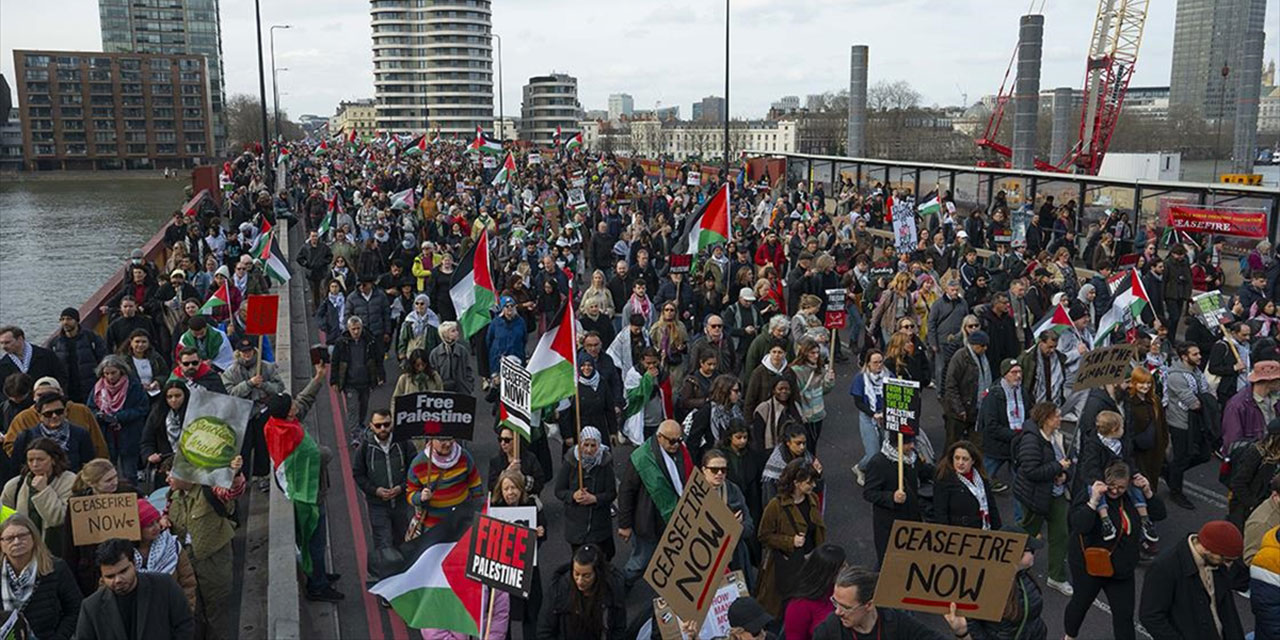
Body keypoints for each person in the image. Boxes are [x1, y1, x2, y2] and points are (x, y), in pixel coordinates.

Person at [1063, 461, 1166, 640]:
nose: (1115, 491)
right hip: (1090, 567)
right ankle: (1069, 636)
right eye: (1112, 486)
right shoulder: (1090, 495)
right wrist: (1093, 502)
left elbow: (1159, 514)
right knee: (1080, 605)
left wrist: (1148, 492)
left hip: (1121, 569)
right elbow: (1079, 525)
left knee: (1124, 616)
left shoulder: (1133, 498)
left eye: (1121, 487)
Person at [617, 419, 692, 590]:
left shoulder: (681, 452)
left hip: (674, 520)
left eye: (679, 440)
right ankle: (621, 587)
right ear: (659, 437)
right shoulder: (641, 458)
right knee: (641, 561)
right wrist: (625, 524)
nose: (676, 445)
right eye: (672, 441)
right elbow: (626, 491)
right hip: (648, 521)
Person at [1140, 520, 1246, 640]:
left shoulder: (1217, 562)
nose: (1229, 565)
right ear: (1207, 549)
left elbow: (1228, 611)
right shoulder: (1165, 567)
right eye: (1226, 560)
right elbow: (1151, 617)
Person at [73, 537, 195, 640]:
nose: (118, 580)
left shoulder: (164, 586)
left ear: (134, 564)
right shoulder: (91, 607)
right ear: (102, 577)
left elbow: (184, 625)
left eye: (123, 571)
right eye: (110, 576)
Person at [942, 530, 1048, 640]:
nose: (1034, 554)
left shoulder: (1022, 575)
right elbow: (975, 627)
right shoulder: (987, 587)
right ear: (1015, 554)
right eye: (1030, 550)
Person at [756, 458, 825, 617]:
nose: (813, 485)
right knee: (786, 608)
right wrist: (789, 541)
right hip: (787, 566)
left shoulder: (812, 499)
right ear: (796, 483)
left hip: (811, 562)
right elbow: (763, 535)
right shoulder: (776, 506)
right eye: (809, 482)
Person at [351, 409, 412, 578]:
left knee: (402, 541)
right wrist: (375, 491)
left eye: (386, 424)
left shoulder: (403, 443)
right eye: (378, 425)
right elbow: (358, 474)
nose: (383, 428)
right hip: (378, 506)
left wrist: (402, 487)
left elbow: (414, 469)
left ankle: (403, 579)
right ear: (371, 426)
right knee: (384, 545)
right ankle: (388, 584)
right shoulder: (365, 448)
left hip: (400, 503)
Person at [0, 513, 81, 640]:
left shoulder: (56, 568)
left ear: (34, 537)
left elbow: (75, 609)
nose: (16, 542)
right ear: (1, 544)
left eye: (22, 536)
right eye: (10, 538)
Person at [813, 566, 952, 639]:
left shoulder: (897, 622)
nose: (838, 612)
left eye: (846, 607)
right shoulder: (828, 632)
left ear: (869, 604)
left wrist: (962, 633)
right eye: (835, 602)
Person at [863, 424, 933, 566]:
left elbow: (924, 472)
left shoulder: (912, 458)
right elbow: (869, 493)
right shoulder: (878, 463)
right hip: (889, 522)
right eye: (908, 443)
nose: (912, 446)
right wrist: (891, 497)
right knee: (889, 561)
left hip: (911, 516)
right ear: (896, 444)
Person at [220, 337, 283, 484]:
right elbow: (230, 393)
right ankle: (243, 478)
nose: (247, 354)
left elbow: (279, 388)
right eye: (243, 352)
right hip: (242, 415)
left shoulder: (266, 367)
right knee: (244, 448)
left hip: (262, 411)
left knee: (263, 445)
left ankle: (262, 476)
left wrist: (264, 386)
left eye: (249, 351)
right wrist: (249, 384)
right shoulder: (231, 371)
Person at [492, 468, 545, 639]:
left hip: (528, 569)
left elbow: (545, 535)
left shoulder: (532, 506)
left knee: (530, 613)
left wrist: (540, 533)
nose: (510, 492)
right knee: (503, 614)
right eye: (506, 488)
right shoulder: (494, 509)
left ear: (521, 489)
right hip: (504, 572)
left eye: (514, 488)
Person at [536, 544, 627, 640]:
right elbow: (544, 630)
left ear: (598, 573)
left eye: (586, 576)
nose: (579, 581)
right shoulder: (559, 590)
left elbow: (619, 628)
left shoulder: (612, 589)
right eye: (576, 574)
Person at [555, 426, 617, 560]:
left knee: (602, 560)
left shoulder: (605, 463)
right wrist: (573, 496)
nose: (589, 450)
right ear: (580, 443)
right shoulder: (570, 462)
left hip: (599, 526)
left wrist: (595, 498)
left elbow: (612, 493)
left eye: (593, 445)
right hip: (576, 526)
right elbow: (559, 491)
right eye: (586, 445)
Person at [85, 355, 149, 481]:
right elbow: (90, 408)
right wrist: (99, 415)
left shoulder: (133, 386)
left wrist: (118, 417)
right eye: (106, 373)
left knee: (129, 472)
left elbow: (142, 408)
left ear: (121, 371)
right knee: (107, 471)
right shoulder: (98, 388)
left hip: (129, 433)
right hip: (106, 433)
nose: (110, 377)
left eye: (113, 373)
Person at [1165, 342, 1211, 510]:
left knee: (1204, 455)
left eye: (1199, 353)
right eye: (1195, 354)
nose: (1199, 357)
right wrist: (1207, 402)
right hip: (1180, 423)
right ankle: (1176, 491)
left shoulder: (1197, 372)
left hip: (1196, 423)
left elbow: (1206, 393)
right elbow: (1194, 404)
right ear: (1184, 357)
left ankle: (1171, 472)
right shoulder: (1175, 376)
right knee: (1181, 458)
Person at [406, 436, 484, 533]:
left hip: (461, 523)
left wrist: (478, 512)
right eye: (442, 440)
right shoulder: (418, 463)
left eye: (450, 439)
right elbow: (410, 494)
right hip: (433, 527)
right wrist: (420, 497)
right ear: (432, 439)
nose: (448, 444)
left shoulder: (464, 456)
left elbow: (475, 484)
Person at [134, 499, 197, 611]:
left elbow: (187, 581)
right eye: (149, 525)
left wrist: (187, 610)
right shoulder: (124, 554)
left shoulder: (172, 546)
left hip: (171, 610)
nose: (156, 527)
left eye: (157, 521)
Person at [13, 391, 96, 474]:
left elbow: (88, 465)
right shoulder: (27, 436)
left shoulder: (80, 434)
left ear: (66, 412)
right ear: (40, 416)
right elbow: (16, 468)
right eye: (48, 414)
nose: (54, 416)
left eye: (59, 411)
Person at [702, 448, 755, 578]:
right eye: (714, 470)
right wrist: (727, 524)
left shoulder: (733, 490)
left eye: (724, 470)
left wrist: (735, 528)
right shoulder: (695, 493)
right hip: (706, 559)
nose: (719, 473)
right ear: (704, 470)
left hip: (735, 556)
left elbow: (749, 527)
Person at [977, 358, 1025, 496]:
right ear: (1005, 374)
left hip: (1016, 447)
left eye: (1020, 372)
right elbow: (991, 425)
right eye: (1014, 372)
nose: (1018, 376)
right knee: (982, 480)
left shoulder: (1022, 392)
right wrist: (1015, 435)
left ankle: (1019, 517)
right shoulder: (994, 394)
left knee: (1020, 487)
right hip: (996, 447)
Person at [330, 315, 380, 444]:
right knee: (353, 408)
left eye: (358, 328)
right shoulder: (341, 342)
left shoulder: (369, 340)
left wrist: (380, 376)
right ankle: (355, 434)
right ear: (348, 329)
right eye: (353, 329)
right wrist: (334, 381)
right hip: (349, 383)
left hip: (366, 381)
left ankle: (361, 425)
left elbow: (377, 359)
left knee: (364, 406)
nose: (356, 332)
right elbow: (335, 362)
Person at [934, 440, 1002, 530]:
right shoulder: (944, 480)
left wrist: (998, 530)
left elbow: (992, 507)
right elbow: (940, 513)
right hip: (959, 533)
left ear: (973, 460)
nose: (960, 463)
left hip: (983, 529)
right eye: (957, 458)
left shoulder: (982, 478)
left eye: (965, 459)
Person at [783, 544, 846, 640]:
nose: (847, 569)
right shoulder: (799, 606)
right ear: (827, 572)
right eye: (842, 567)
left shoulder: (843, 589)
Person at [943, 331, 991, 452]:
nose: (985, 348)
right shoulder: (960, 358)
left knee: (975, 447)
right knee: (952, 445)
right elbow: (951, 385)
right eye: (982, 345)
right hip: (958, 412)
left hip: (977, 410)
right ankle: (945, 470)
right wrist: (959, 409)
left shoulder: (983, 359)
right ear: (974, 345)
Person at [51, 307, 109, 403]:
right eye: (62, 319)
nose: (65, 322)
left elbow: (103, 359)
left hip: (89, 387)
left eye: (69, 319)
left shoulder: (91, 338)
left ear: (77, 321)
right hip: (68, 390)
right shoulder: (55, 343)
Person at [1125, 367, 1168, 496]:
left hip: (1155, 449)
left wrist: (1164, 444)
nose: (1146, 386)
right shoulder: (1128, 402)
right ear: (1134, 383)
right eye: (1142, 383)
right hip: (1138, 452)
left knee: (1153, 477)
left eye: (1149, 383)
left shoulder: (1155, 400)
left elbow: (1162, 423)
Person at [791, 336, 836, 453]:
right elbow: (795, 396)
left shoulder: (819, 369)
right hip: (805, 417)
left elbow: (823, 391)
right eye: (812, 353)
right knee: (805, 448)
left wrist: (829, 382)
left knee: (813, 446)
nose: (816, 356)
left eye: (817, 352)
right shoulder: (796, 371)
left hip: (818, 415)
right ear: (804, 353)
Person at [850, 349, 887, 487]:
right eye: (875, 362)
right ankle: (860, 467)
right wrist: (873, 414)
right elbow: (858, 402)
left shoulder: (889, 376)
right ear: (868, 364)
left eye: (881, 362)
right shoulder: (860, 379)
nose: (879, 365)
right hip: (868, 417)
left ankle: (880, 475)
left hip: (885, 416)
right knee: (873, 453)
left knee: (887, 448)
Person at [0, 325, 67, 391]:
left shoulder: (46, 355)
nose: (3, 347)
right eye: (1, 343)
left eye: (7, 342)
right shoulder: (3, 364)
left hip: (46, 399)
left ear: (20, 339)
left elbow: (61, 378)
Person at [486, 426, 546, 495]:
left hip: (526, 502)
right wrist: (507, 473)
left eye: (507, 440)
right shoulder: (495, 461)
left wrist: (523, 479)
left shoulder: (530, 459)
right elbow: (491, 486)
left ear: (517, 440)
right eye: (500, 439)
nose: (503, 443)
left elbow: (539, 484)